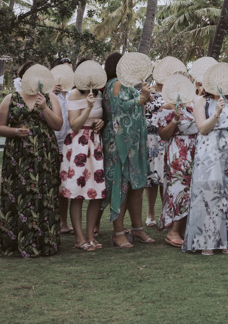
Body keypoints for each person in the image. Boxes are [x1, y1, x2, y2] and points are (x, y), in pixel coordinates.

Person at [0, 61, 64, 258]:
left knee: (45, 194)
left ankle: (45, 243)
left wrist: (44, 108)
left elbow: (58, 125)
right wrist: (15, 131)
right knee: (17, 194)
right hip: (18, 156)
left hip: (44, 154)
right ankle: (15, 243)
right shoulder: (11, 98)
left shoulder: (50, 98)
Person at [182, 89, 228, 255]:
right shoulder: (200, 101)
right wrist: (217, 112)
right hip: (208, 152)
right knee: (208, 194)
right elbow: (202, 129)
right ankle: (206, 240)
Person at [102, 52, 154, 249]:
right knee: (121, 184)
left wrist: (144, 97)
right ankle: (118, 233)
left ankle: (137, 228)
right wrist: (141, 99)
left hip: (135, 142)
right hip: (119, 142)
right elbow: (117, 110)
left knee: (136, 185)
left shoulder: (129, 85)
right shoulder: (115, 84)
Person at [60, 84, 106, 251]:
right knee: (77, 192)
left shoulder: (99, 93)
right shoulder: (73, 94)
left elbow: (99, 117)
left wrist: (100, 122)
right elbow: (74, 125)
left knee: (97, 192)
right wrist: (88, 107)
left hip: (95, 143)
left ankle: (90, 236)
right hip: (78, 144)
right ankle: (79, 239)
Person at [158, 73, 198, 247]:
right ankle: (172, 230)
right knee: (178, 188)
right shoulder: (166, 107)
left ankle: (183, 228)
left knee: (192, 189)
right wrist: (174, 119)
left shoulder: (194, 104)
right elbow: (163, 135)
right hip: (178, 151)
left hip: (195, 149)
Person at [51, 57, 74, 236]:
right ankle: (51, 221)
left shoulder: (74, 93)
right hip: (53, 141)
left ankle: (64, 222)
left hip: (72, 144)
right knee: (52, 184)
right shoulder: (48, 93)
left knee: (66, 185)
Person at [144, 82, 168, 227]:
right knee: (151, 176)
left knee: (165, 176)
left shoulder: (172, 92)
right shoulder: (148, 91)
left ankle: (164, 213)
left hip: (165, 137)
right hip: (150, 138)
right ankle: (150, 213)